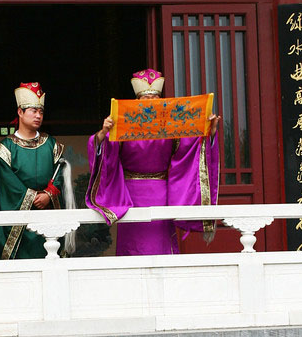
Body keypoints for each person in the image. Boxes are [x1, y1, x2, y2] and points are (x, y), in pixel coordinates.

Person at [85, 68, 220, 255]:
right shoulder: (124, 124)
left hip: (161, 193)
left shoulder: (173, 124)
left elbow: (190, 149)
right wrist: (102, 134)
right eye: (145, 99)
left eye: (155, 98)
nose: (150, 103)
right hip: (130, 196)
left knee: (160, 244)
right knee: (133, 247)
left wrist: (208, 132)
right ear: (137, 102)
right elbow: (106, 154)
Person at [0, 82, 74, 260]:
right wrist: (32, 198)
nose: (38, 116)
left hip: (47, 216)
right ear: (20, 112)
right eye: (33, 111)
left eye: (41, 112)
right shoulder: (5, 149)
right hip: (19, 223)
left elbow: (59, 174)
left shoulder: (51, 144)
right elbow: (9, 185)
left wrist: (48, 195)